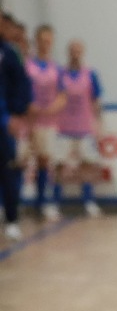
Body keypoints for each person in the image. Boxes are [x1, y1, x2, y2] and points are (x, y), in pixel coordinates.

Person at [55, 39, 104, 217]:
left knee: (87, 166)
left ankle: (89, 201)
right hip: (64, 127)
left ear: (82, 52)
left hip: (84, 127)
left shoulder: (90, 74)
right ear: (68, 53)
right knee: (59, 165)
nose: (75, 54)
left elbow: (96, 100)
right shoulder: (60, 74)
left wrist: (98, 124)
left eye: (78, 51)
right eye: (72, 51)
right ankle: (54, 202)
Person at [23, 25, 65, 221]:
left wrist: (51, 108)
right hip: (28, 120)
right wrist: (27, 105)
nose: (46, 43)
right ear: (36, 41)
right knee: (19, 160)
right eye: (43, 39)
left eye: (49, 40)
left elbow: (63, 95)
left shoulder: (56, 68)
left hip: (48, 121)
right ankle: (10, 203)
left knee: (45, 161)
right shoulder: (27, 65)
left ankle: (43, 202)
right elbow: (20, 89)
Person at [1, 13, 33, 240]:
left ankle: (12, 219)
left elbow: (21, 85)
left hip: (3, 121)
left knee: (8, 169)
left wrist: (16, 115)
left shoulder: (9, 53)